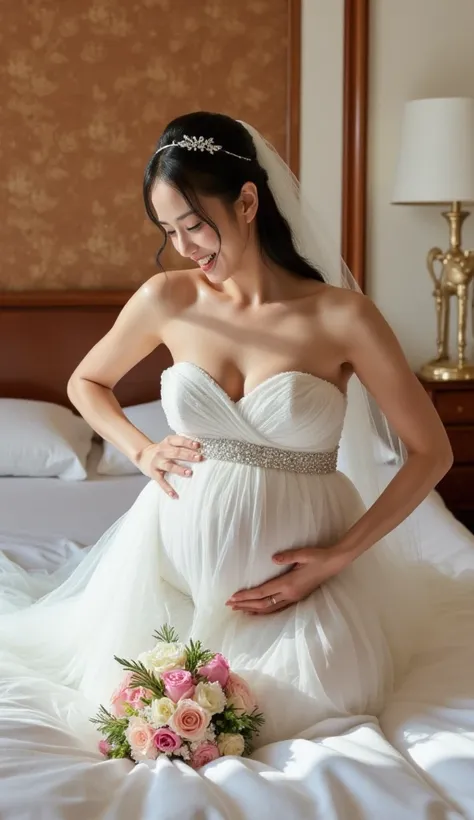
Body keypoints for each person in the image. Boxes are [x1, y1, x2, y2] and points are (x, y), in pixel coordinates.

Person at [0, 113, 452, 761]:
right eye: (167, 231)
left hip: (302, 588)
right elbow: (87, 384)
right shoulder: (168, 300)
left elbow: (432, 452)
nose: (183, 246)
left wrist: (336, 558)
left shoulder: (341, 316)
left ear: (246, 202)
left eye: (193, 224)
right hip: (168, 575)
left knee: (313, 701)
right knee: (121, 695)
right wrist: (141, 448)